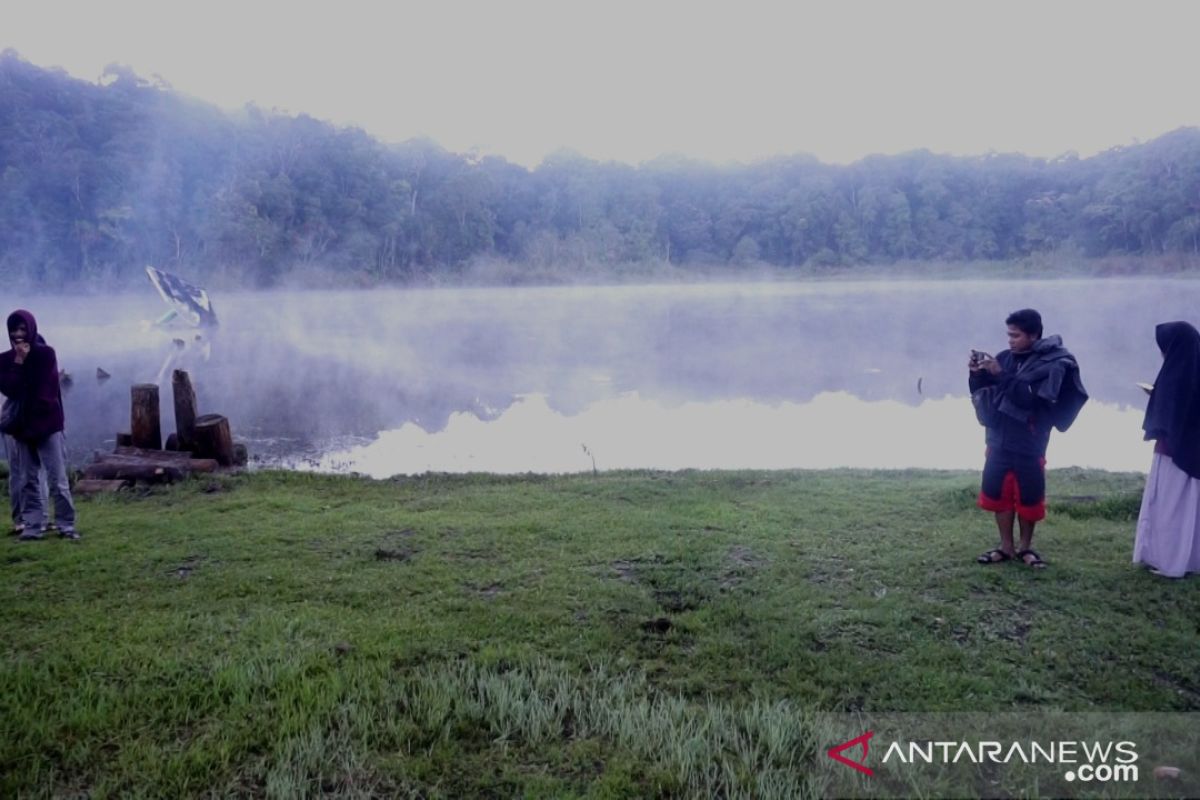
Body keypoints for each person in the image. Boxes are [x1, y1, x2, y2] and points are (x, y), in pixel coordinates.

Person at [969, 308, 1088, 568]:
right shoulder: (1004, 359)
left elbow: (1030, 399)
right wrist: (977, 374)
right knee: (998, 492)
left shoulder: (1053, 365)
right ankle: (1005, 547)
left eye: (1016, 335)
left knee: (1029, 496)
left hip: (1030, 440)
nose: (1010, 340)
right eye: (1009, 335)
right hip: (999, 438)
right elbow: (985, 396)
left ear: (1034, 335)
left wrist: (1001, 374)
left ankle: (1025, 548)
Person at [0, 310, 78, 540]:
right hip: (21, 428)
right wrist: (18, 361)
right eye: (14, 330)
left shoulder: (46, 354)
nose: (18, 335)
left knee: (57, 479)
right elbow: (11, 390)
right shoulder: (4, 360)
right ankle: (33, 527)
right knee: (27, 480)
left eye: (23, 329)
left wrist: (34, 413)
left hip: (46, 424)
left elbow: (47, 390)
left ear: (31, 329)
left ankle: (66, 525)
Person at [1134, 321, 1200, 578]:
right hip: (1191, 451)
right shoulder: (1193, 366)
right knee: (1189, 509)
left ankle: (1169, 561)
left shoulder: (1177, 372)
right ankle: (1189, 560)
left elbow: (1174, 409)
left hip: (1175, 451)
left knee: (1170, 507)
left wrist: (1156, 396)